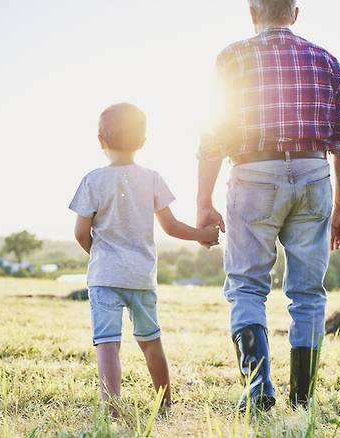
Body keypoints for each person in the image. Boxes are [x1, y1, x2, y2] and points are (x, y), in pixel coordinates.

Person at [196, 0, 340, 411]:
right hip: (313, 172)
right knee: (308, 292)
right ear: (295, 13)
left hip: (253, 174)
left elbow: (214, 134)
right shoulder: (327, 61)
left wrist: (203, 200)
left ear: (253, 12)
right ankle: (302, 398)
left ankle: (257, 390)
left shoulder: (232, 57)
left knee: (247, 286)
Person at [69, 102, 220, 416]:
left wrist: (98, 254)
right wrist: (201, 234)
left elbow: (81, 232)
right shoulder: (151, 178)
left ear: (101, 139)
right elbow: (171, 226)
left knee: (108, 343)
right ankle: (164, 405)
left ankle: (112, 409)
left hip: (105, 277)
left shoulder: (93, 180)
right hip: (141, 276)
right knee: (151, 341)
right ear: (143, 141)